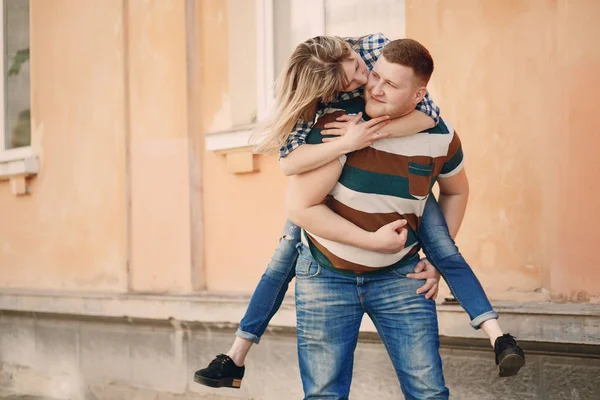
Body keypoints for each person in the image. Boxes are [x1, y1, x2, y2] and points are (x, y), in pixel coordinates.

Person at [193, 34, 523, 391]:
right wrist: (349, 141)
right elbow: (292, 178)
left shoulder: (418, 109)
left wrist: (377, 133)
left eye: (382, 80)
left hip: (401, 278)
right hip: (325, 274)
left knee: (443, 262)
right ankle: (236, 354)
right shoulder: (333, 119)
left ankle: (497, 334)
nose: (369, 84)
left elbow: (440, 144)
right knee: (285, 259)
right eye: (365, 78)